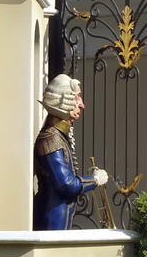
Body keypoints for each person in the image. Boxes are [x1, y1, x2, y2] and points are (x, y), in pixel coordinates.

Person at [33, 74, 108, 230]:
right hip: (52, 220)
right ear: (63, 100)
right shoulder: (51, 139)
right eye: (77, 98)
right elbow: (66, 184)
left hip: (57, 217)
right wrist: (93, 180)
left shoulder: (57, 136)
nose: (81, 105)